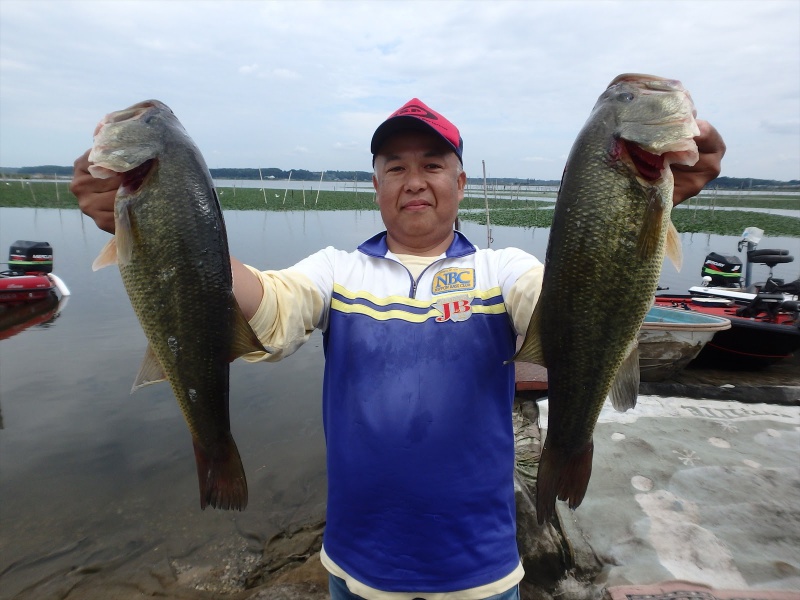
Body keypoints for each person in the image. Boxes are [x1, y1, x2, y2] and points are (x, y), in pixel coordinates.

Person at [71, 97, 725, 600]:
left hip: (482, 571)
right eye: (396, 167)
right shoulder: (336, 271)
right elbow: (264, 300)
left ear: (461, 183)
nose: (414, 180)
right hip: (358, 568)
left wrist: (633, 219)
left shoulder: (506, 271)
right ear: (377, 186)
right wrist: (159, 231)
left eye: (432, 165)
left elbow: (572, 311)